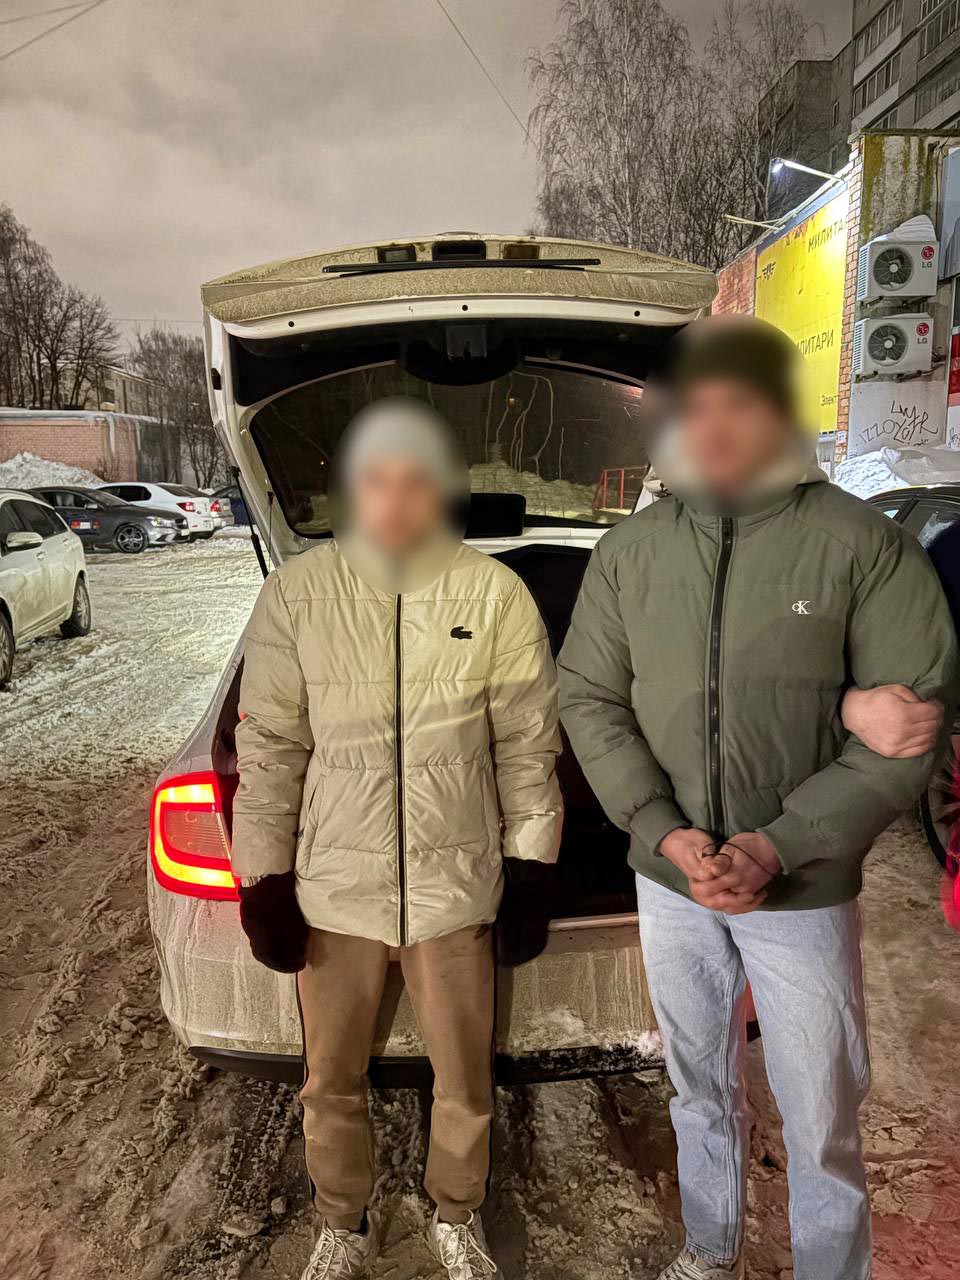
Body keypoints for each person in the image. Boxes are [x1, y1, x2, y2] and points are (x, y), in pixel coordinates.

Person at [557, 317, 957, 1280]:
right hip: (672, 881)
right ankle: (709, 1247)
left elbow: (911, 725)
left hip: (802, 889)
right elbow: (589, 697)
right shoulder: (629, 553)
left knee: (820, 1112)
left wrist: (778, 846)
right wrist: (665, 833)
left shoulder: (862, 547)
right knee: (698, 1085)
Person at [231, 397, 563, 1280]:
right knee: (328, 1081)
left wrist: (530, 864)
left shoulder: (493, 595)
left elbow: (527, 746)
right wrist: (262, 878)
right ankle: (342, 1220)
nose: (395, 497)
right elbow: (270, 750)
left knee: (465, 1082)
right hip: (335, 893)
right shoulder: (297, 594)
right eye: (377, 478)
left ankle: (457, 1213)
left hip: (456, 889)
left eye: (415, 479)